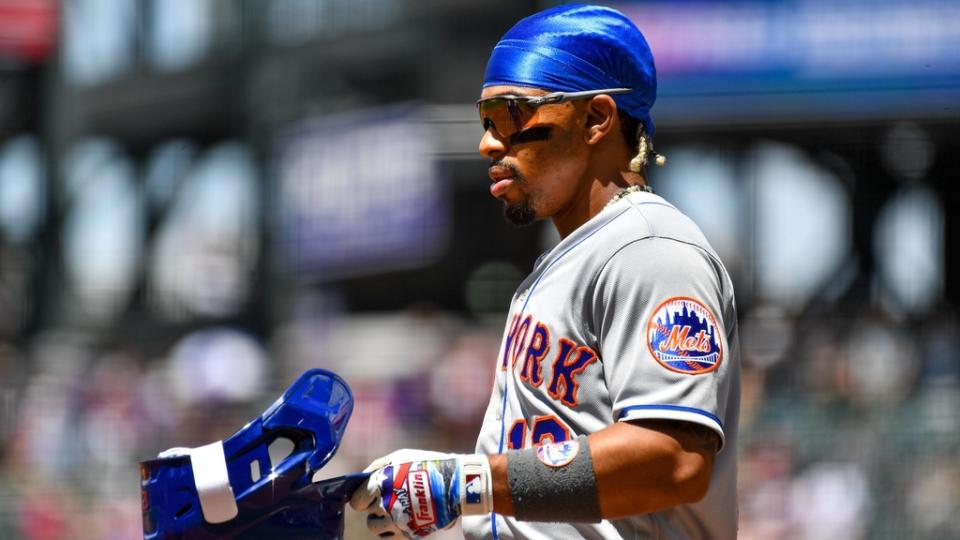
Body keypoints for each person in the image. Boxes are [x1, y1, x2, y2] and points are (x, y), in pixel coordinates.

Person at [350, 4, 740, 539]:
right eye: (485, 120)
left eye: (511, 115)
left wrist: (464, 483)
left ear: (596, 119)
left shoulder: (649, 248)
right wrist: (451, 493)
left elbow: (672, 459)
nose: (488, 142)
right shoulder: (576, 255)